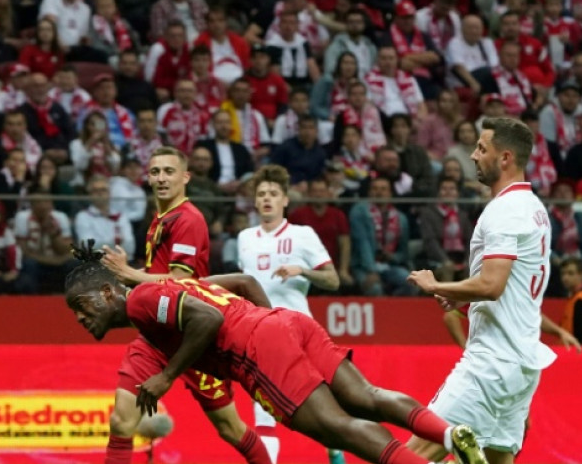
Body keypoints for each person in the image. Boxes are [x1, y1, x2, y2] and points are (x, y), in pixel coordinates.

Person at [65, 245, 489, 464]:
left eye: (82, 307)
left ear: (107, 294)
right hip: (285, 323)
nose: (81, 319)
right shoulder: (163, 289)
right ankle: (451, 435)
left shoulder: (141, 302)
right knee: (368, 397)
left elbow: (206, 321)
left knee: (335, 428)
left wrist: (167, 376)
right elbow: (246, 281)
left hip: (256, 345)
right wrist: (274, 329)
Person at [98, 146, 274, 464]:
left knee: (230, 428)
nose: (162, 178)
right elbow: (158, 278)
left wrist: (131, 274)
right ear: (148, 179)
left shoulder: (189, 220)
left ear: (185, 177)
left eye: (169, 171)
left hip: (194, 336)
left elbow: (180, 281)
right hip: (155, 335)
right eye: (155, 172)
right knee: (121, 422)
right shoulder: (160, 219)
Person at [405, 117, 556, 464]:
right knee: (494, 459)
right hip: (521, 364)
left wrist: (435, 284)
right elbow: (509, 283)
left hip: (491, 365)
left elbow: (491, 284)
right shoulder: (534, 209)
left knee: (409, 456)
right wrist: (460, 294)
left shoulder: (504, 211)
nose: (473, 155)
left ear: (504, 158)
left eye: (481, 148)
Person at [237, 165, 344, 464]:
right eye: (261, 194)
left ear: (285, 200)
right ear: (255, 201)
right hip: (259, 334)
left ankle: (335, 452)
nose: (267, 199)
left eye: (273, 193)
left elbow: (333, 280)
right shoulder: (245, 238)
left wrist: (303, 270)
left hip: (300, 332)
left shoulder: (302, 235)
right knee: (263, 412)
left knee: (320, 408)